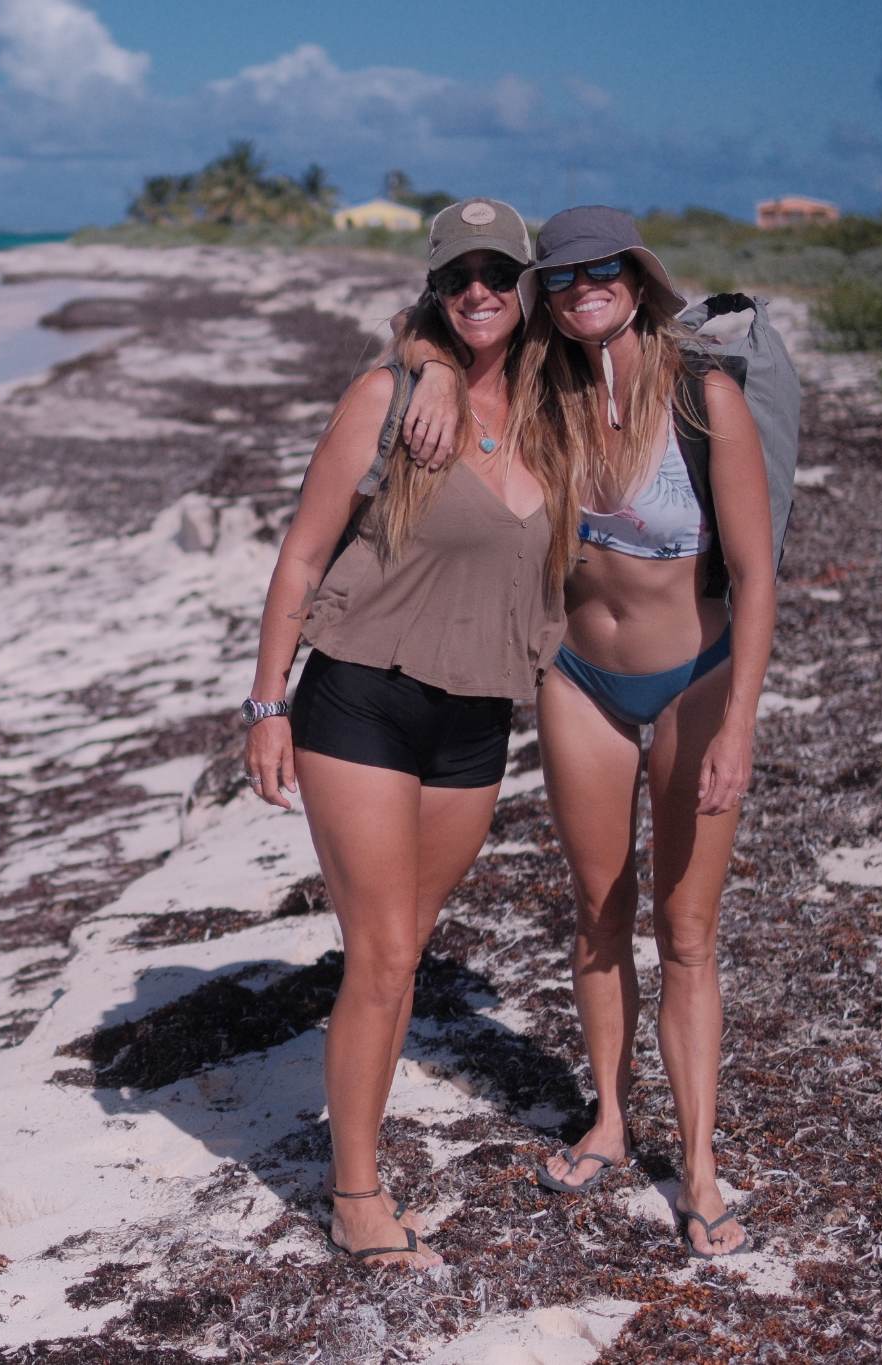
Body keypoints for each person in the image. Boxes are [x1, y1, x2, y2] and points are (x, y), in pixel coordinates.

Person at [240, 198, 576, 1269]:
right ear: (435, 287)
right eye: (458, 274)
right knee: (383, 954)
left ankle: (355, 1140)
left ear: (527, 286)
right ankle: (355, 1195)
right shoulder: (384, 396)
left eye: (499, 273)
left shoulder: (555, 406)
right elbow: (302, 555)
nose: (479, 290)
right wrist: (265, 703)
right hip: (361, 699)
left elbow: (655, 350)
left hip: (476, 715)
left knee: (399, 951)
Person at [513, 207, 776, 1259]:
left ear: (638, 279)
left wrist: (738, 723)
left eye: (602, 270)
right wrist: (434, 377)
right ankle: (613, 1121)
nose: (583, 287)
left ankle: (700, 1166)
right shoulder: (541, 393)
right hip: (577, 680)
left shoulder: (704, 397)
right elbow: (428, 338)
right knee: (596, 911)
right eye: (561, 276)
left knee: (685, 930)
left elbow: (755, 575)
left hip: (693, 682)